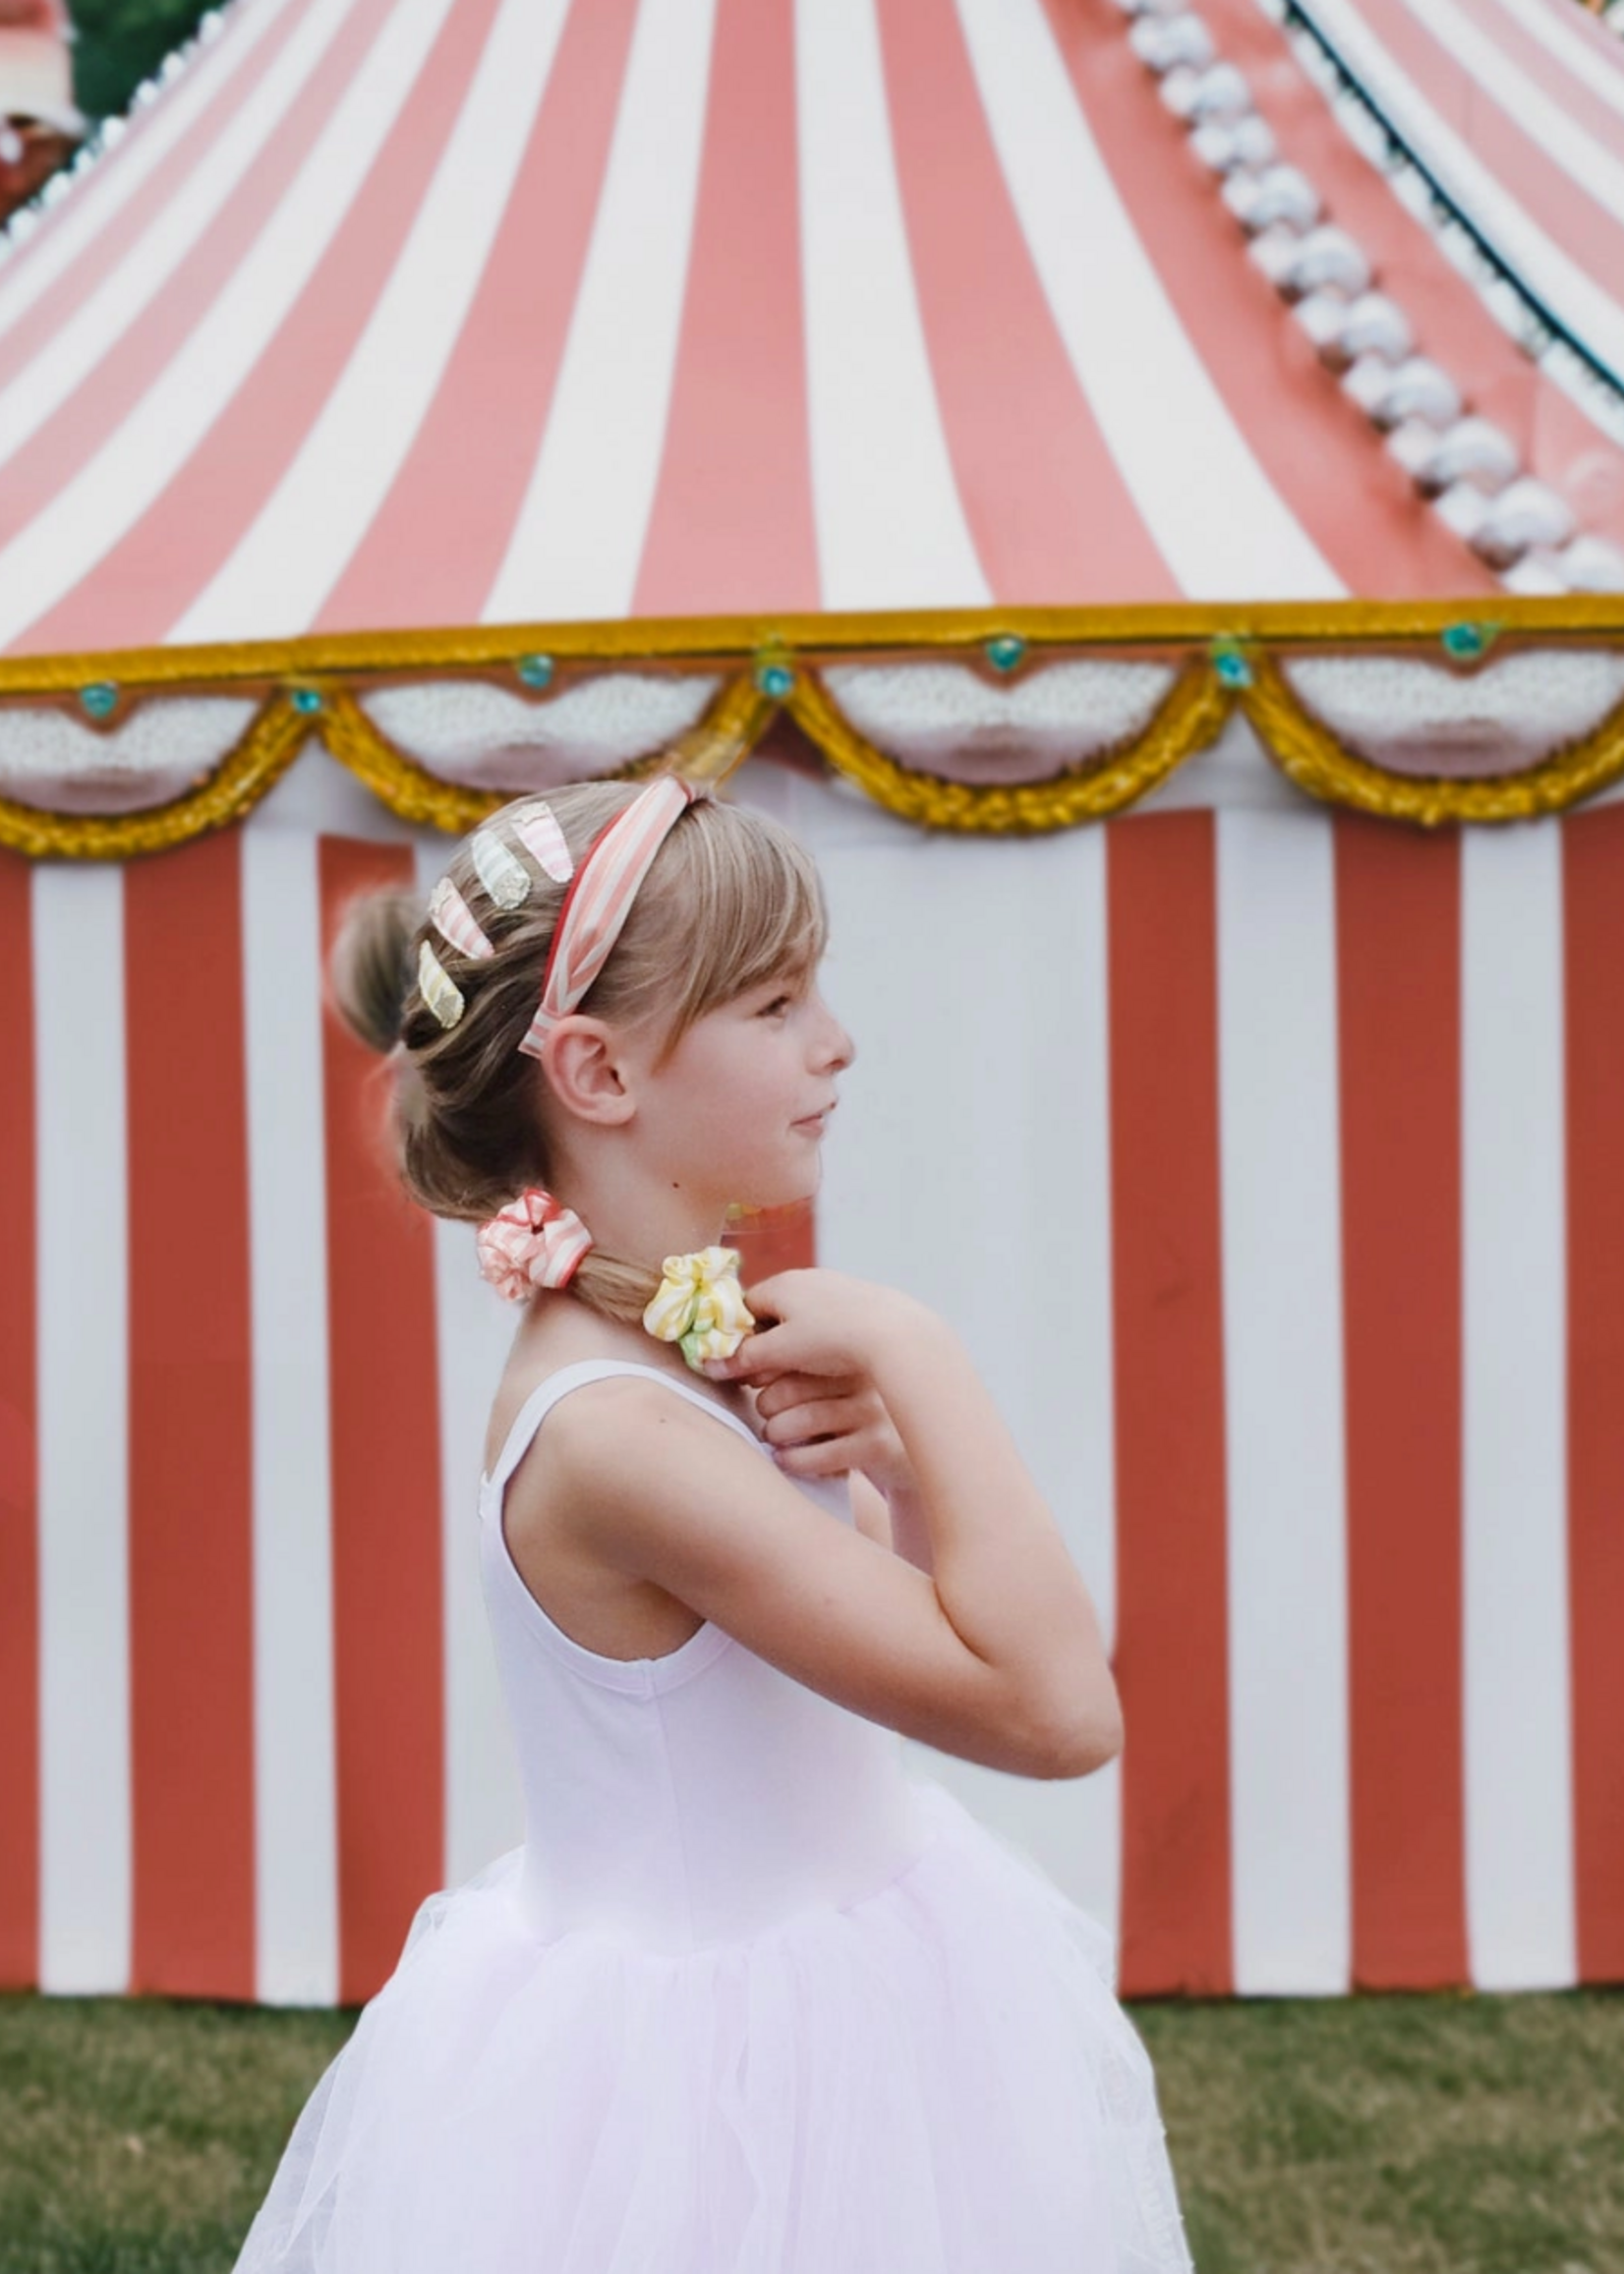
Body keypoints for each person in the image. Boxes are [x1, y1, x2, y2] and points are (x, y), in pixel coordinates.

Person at [232, 772, 1194, 2274]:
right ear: (601, 1074)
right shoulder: (616, 1440)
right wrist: (922, 1355)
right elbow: (1057, 1711)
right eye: (773, 1003)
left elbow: (967, 1633)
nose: (837, 1041)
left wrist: (908, 1470)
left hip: (850, 1973)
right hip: (711, 2082)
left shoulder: (685, 1353)